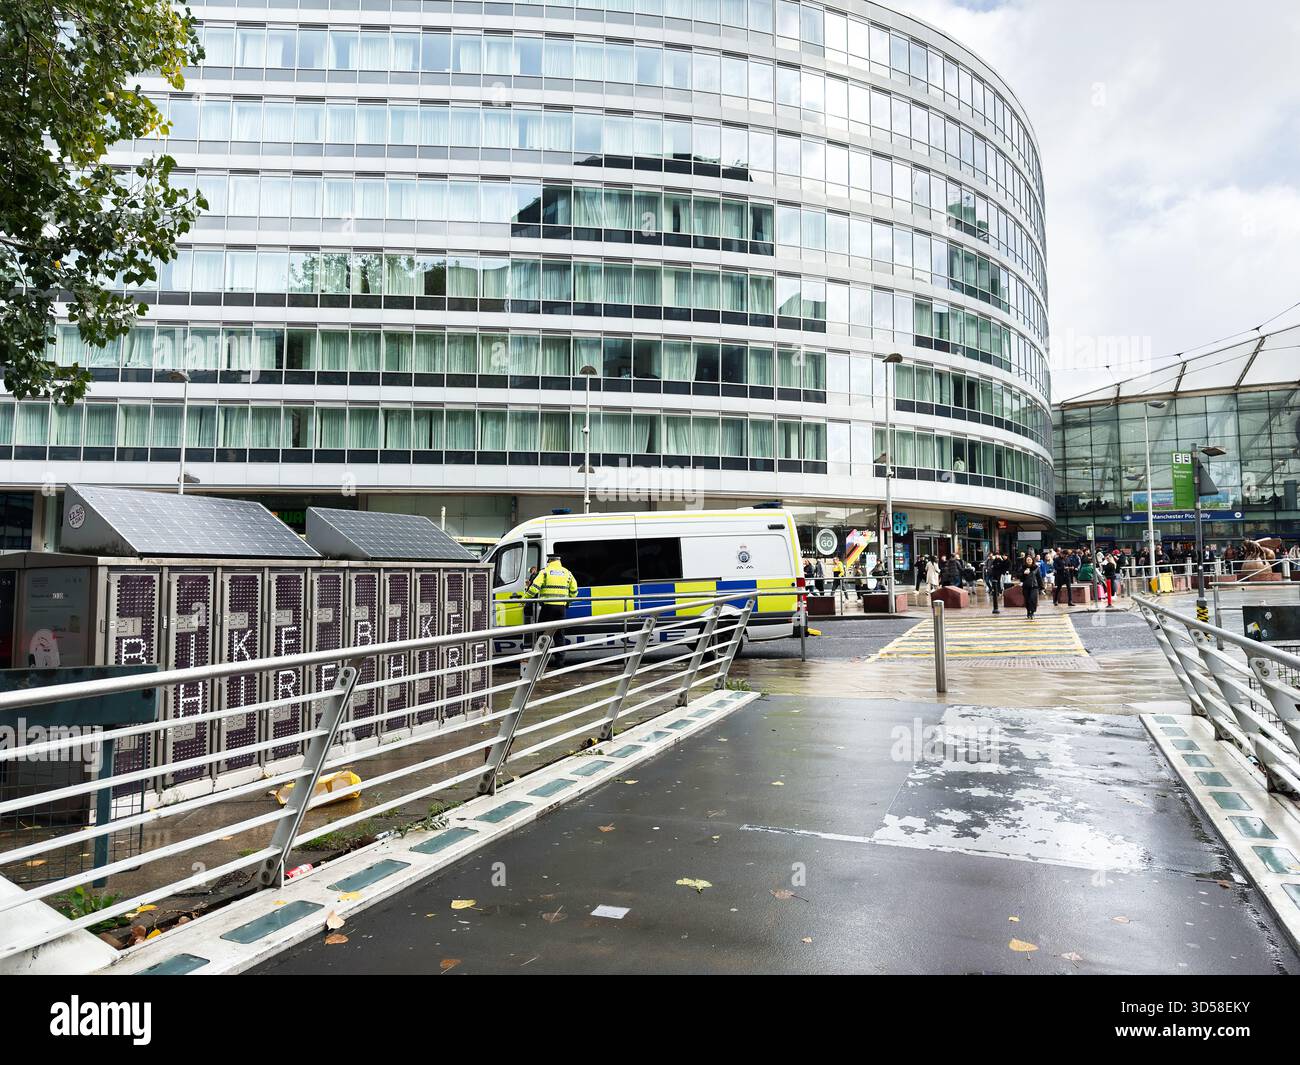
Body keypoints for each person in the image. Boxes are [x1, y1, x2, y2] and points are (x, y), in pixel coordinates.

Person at [524, 551, 578, 657]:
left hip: (547, 608)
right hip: (561, 608)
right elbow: (574, 591)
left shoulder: (545, 572)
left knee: (542, 634)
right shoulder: (567, 572)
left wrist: (525, 599)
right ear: (559, 561)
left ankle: (539, 659)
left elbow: (534, 588)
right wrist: (568, 602)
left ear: (550, 560)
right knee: (559, 635)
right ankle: (560, 663)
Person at [1019, 552, 1042, 620]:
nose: (1029, 561)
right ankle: (1028, 611)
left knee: (1033, 600)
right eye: (1027, 560)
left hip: (1034, 586)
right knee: (1027, 600)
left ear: (1032, 560)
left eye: (1030, 560)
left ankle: (1032, 612)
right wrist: (1024, 573)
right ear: (1025, 561)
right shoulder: (1023, 567)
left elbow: (1039, 578)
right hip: (1026, 586)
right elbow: (1019, 576)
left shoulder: (1036, 568)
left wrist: (1041, 587)